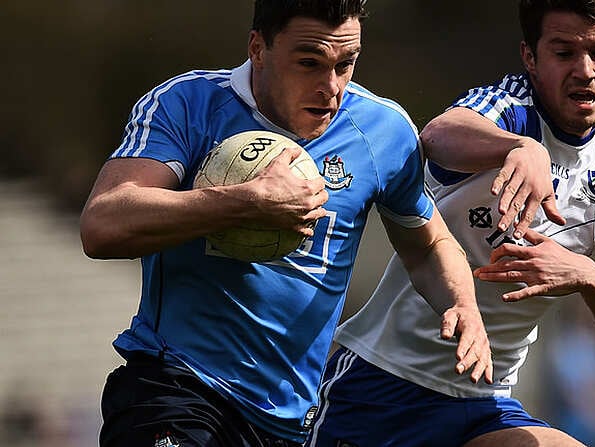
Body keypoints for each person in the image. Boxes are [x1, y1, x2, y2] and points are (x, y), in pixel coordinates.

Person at [79, 1, 493, 446]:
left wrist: (463, 304)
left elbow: (429, 245)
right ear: (258, 48)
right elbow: (103, 223)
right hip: (175, 386)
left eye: (345, 64)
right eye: (309, 63)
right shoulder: (188, 103)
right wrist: (245, 202)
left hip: (291, 422)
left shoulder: (382, 131)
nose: (330, 87)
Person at [307, 0, 595, 445]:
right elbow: (436, 137)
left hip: (484, 402)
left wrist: (583, 273)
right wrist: (521, 148)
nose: (585, 70)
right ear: (530, 57)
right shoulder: (510, 110)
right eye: (564, 52)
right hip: (383, 385)